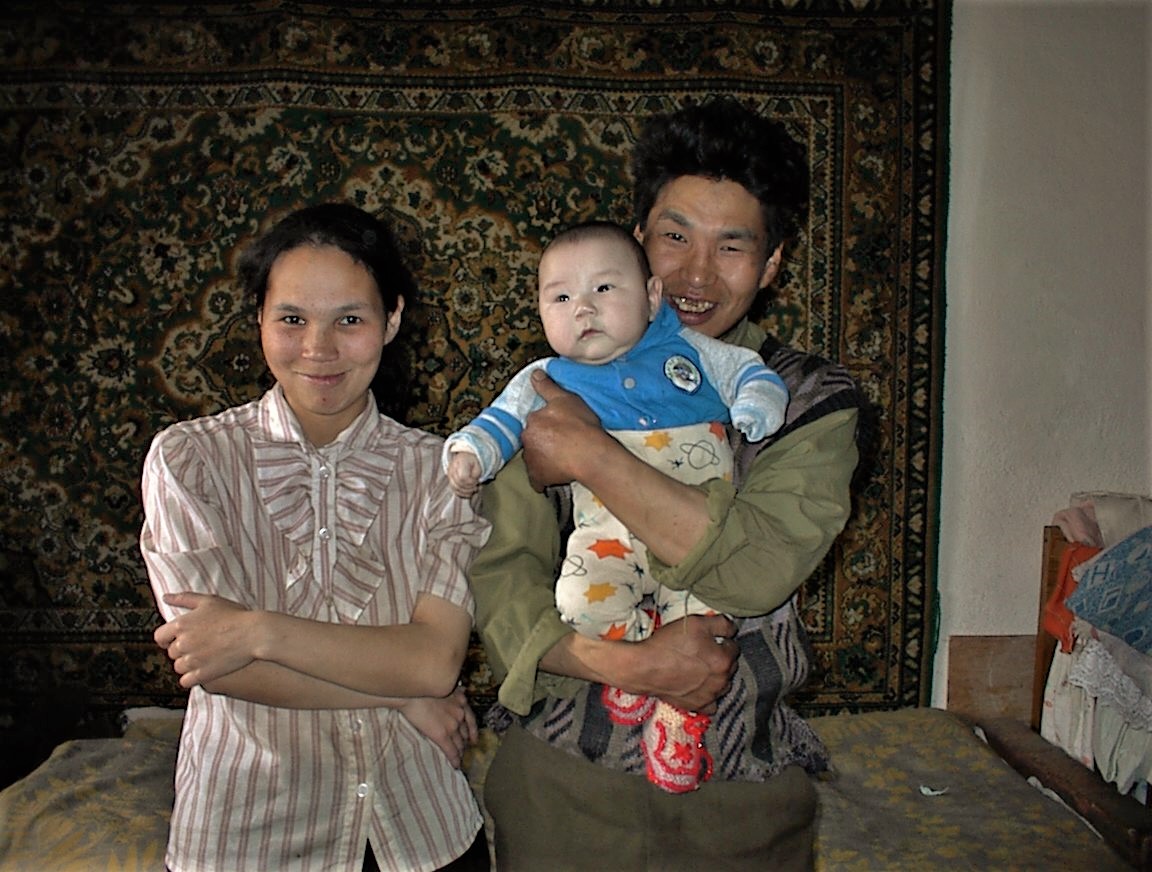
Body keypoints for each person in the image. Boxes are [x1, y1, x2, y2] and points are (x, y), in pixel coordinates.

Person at [470, 98, 863, 870]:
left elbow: (757, 569)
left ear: (772, 265)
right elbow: (502, 580)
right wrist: (626, 665)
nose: (695, 274)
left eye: (732, 246)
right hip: (561, 788)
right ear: (639, 241)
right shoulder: (551, 385)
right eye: (675, 236)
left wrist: (591, 454)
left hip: (743, 804)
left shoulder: (808, 401)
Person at [140, 203, 492, 872]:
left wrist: (257, 630)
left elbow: (433, 663)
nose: (318, 349)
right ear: (259, 319)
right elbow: (219, 666)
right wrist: (401, 694)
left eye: (349, 320)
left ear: (392, 319)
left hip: (420, 829)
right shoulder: (189, 461)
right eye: (292, 319)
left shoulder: (446, 470)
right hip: (249, 830)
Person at [444, 221, 789, 793]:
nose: (583, 309)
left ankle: (680, 720)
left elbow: (747, 372)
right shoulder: (548, 379)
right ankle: (634, 658)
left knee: (707, 625)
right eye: (561, 298)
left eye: (604, 289)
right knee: (580, 601)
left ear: (651, 297)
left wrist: (756, 403)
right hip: (608, 536)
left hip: (700, 533)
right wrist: (469, 454)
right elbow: (497, 422)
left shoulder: (690, 349)